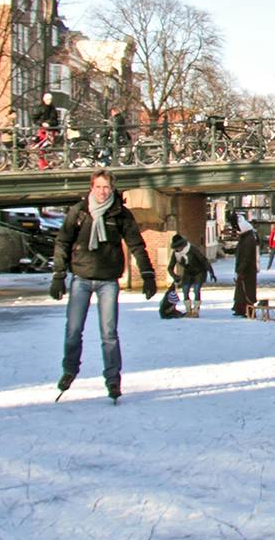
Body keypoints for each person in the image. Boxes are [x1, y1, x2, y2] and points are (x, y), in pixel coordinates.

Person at [50, 170, 157, 402]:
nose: (102, 191)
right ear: (91, 187)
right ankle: (70, 369)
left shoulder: (119, 213)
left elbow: (136, 244)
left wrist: (147, 274)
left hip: (108, 280)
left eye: (106, 187)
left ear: (112, 188)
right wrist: (58, 275)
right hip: (81, 277)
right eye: (98, 187)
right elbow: (63, 242)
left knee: (109, 333)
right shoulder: (79, 212)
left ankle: (112, 379)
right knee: (73, 329)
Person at [167, 230, 210, 316]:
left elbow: (203, 260)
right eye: (176, 248)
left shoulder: (192, 250)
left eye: (179, 247)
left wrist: (211, 272)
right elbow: (170, 267)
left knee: (196, 289)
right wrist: (174, 276)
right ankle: (188, 310)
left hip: (199, 271)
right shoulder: (176, 254)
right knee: (185, 290)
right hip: (188, 272)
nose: (178, 249)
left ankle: (196, 310)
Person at [231, 213, 260, 317]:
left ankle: (247, 309)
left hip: (247, 270)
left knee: (246, 290)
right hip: (246, 269)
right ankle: (241, 309)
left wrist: (240, 270)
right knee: (242, 289)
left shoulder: (247, 239)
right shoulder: (247, 236)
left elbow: (245, 257)